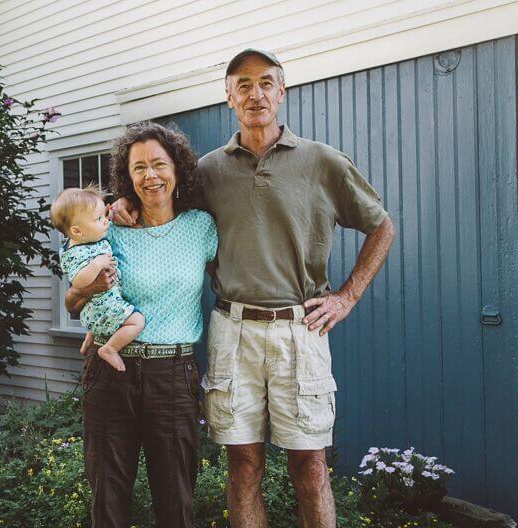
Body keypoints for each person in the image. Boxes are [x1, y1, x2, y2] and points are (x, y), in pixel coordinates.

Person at [111, 49, 395, 527]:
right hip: (233, 329)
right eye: (242, 85)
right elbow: (157, 200)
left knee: (310, 466)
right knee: (242, 466)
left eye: (266, 82)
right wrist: (119, 201)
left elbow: (381, 226)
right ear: (228, 97)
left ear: (281, 92)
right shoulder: (206, 172)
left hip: (300, 331)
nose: (255, 93)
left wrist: (347, 295)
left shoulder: (321, 161)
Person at [65, 122, 217, 528]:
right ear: (126, 176)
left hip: (172, 374)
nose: (150, 176)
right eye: (139, 168)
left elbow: (234, 277)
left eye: (159, 165)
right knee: (108, 496)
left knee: (176, 498)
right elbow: (72, 300)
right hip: (110, 373)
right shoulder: (106, 229)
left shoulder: (201, 226)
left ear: (178, 169)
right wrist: (88, 289)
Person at [51, 184, 145, 372]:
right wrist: (96, 265)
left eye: (103, 216)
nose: (105, 222)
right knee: (137, 321)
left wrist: (110, 212)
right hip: (106, 306)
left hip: (96, 309)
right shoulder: (75, 253)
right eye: (99, 218)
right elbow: (78, 281)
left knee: (98, 321)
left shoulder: (89, 237)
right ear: (77, 231)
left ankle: (90, 339)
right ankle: (110, 349)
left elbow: (105, 220)